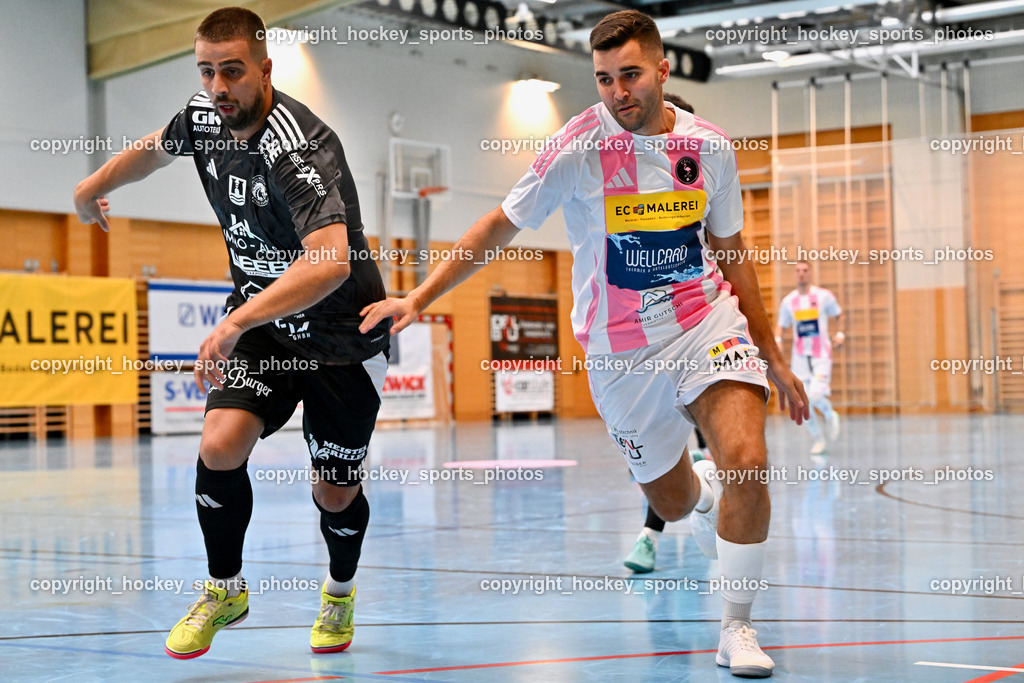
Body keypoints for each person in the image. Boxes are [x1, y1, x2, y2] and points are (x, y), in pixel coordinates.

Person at [360, 10, 808, 677]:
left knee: (745, 455)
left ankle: (735, 626)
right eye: (603, 79)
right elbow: (496, 226)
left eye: (629, 74)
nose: (617, 91)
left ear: (662, 69)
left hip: (702, 323)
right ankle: (702, 494)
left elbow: (732, 251)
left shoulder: (710, 148)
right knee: (674, 502)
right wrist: (418, 297)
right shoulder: (578, 149)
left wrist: (772, 355)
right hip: (620, 352)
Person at [73, 7, 392, 659]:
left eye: (233, 71)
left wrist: (236, 319)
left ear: (265, 69)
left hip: (340, 333)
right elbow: (156, 150)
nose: (219, 87)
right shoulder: (204, 116)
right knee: (219, 444)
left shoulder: (298, 146)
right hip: (265, 325)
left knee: (333, 489)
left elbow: (329, 259)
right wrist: (92, 185)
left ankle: (339, 590)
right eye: (208, 71)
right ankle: (226, 589)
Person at [622, 91, 708, 575]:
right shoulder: (621, 193)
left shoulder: (703, 182)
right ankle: (676, 513)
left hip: (700, 339)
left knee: (721, 441)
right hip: (642, 350)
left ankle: (667, 531)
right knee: (658, 459)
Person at [776, 261, 844, 456]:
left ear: (810, 273)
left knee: (814, 395)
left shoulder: (823, 297)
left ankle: (830, 414)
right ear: (794, 274)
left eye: (805, 270)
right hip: (799, 357)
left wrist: (841, 334)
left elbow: (840, 315)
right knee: (803, 401)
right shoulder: (789, 301)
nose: (801, 274)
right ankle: (819, 440)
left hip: (821, 354)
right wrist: (778, 339)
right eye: (798, 271)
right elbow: (781, 325)